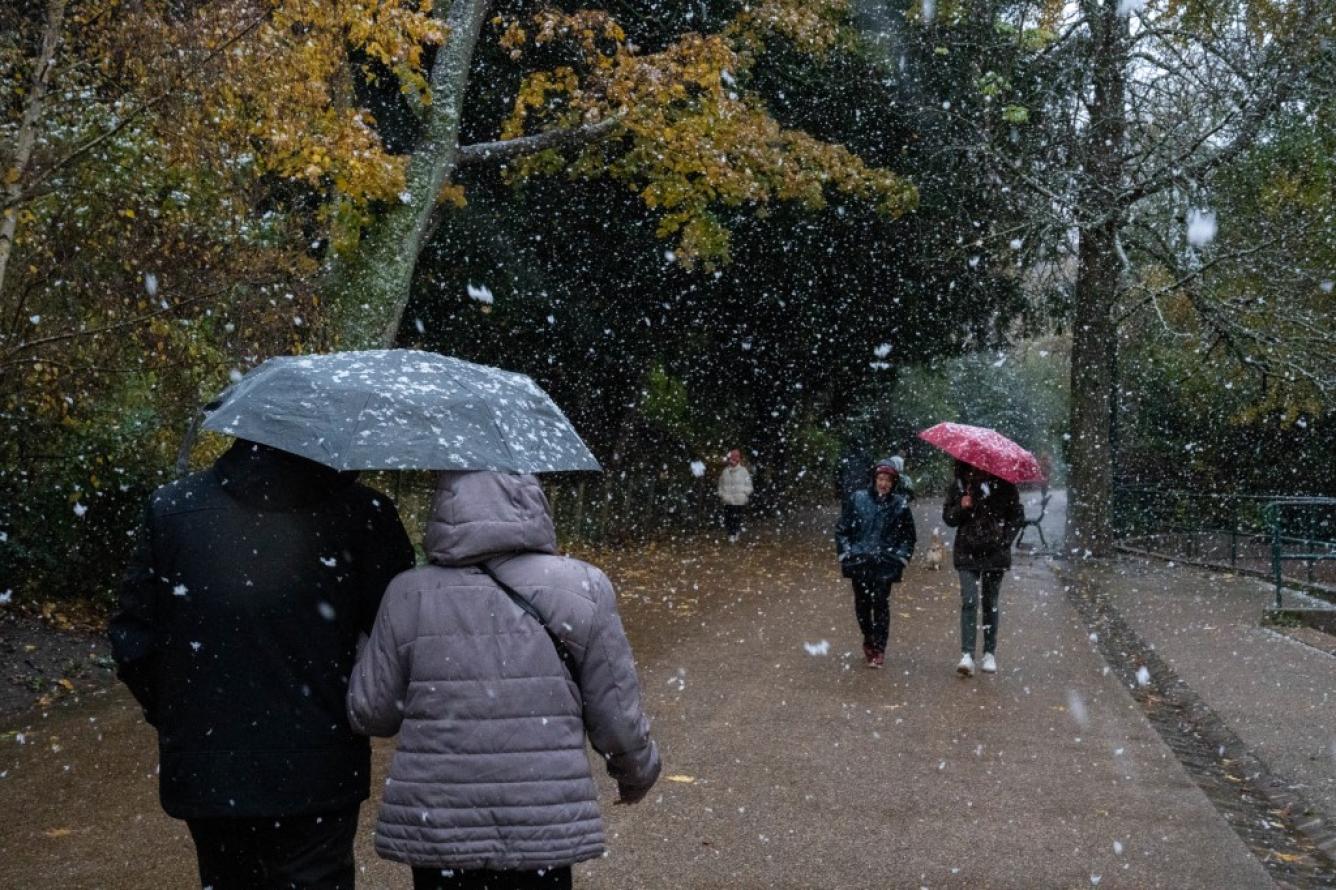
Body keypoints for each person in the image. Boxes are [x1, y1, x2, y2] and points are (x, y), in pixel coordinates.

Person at [108, 439, 415, 890]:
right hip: (319, 763)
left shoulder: (173, 508)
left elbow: (133, 638)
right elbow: (396, 633)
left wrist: (182, 714)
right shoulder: (363, 513)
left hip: (210, 766)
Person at [348, 471, 661, 890]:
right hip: (541, 823)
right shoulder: (583, 587)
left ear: (444, 509)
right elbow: (617, 716)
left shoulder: (407, 594)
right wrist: (635, 773)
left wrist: (364, 644)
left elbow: (371, 713)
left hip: (441, 827)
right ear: (532, 502)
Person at [943, 459, 1026, 677]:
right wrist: (962, 507)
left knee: (990, 603)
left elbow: (1016, 516)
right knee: (969, 601)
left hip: (994, 554)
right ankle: (967, 655)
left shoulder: (1005, 486)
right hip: (966, 551)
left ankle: (989, 653)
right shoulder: (960, 485)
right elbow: (949, 519)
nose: (977, 467)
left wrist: (1004, 540)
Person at [834, 459, 917, 668]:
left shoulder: (900, 504)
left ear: (893, 482)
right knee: (862, 605)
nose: (884, 484)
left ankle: (879, 648)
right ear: (874, 479)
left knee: (881, 604)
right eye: (881, 479)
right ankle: (868, 638)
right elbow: (842, 529)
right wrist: (846, 552)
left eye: (888, 480)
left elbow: (909, 535)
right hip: (859, 561)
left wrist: (901, 556)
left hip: (885, 563)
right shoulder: (857, 499)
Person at [716, 448, 753, 542]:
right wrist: (722, 494)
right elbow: (720, 484)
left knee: (737, 518)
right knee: (728, 519)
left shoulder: (744, 471)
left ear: (738, 460)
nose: (733, 461)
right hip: (727, 500)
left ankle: (735, 533)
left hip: (739, 500)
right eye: (731, 459)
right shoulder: (725, 471)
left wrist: (744, 493)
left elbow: (749, 485)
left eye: (735, 459)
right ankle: (731, 534)